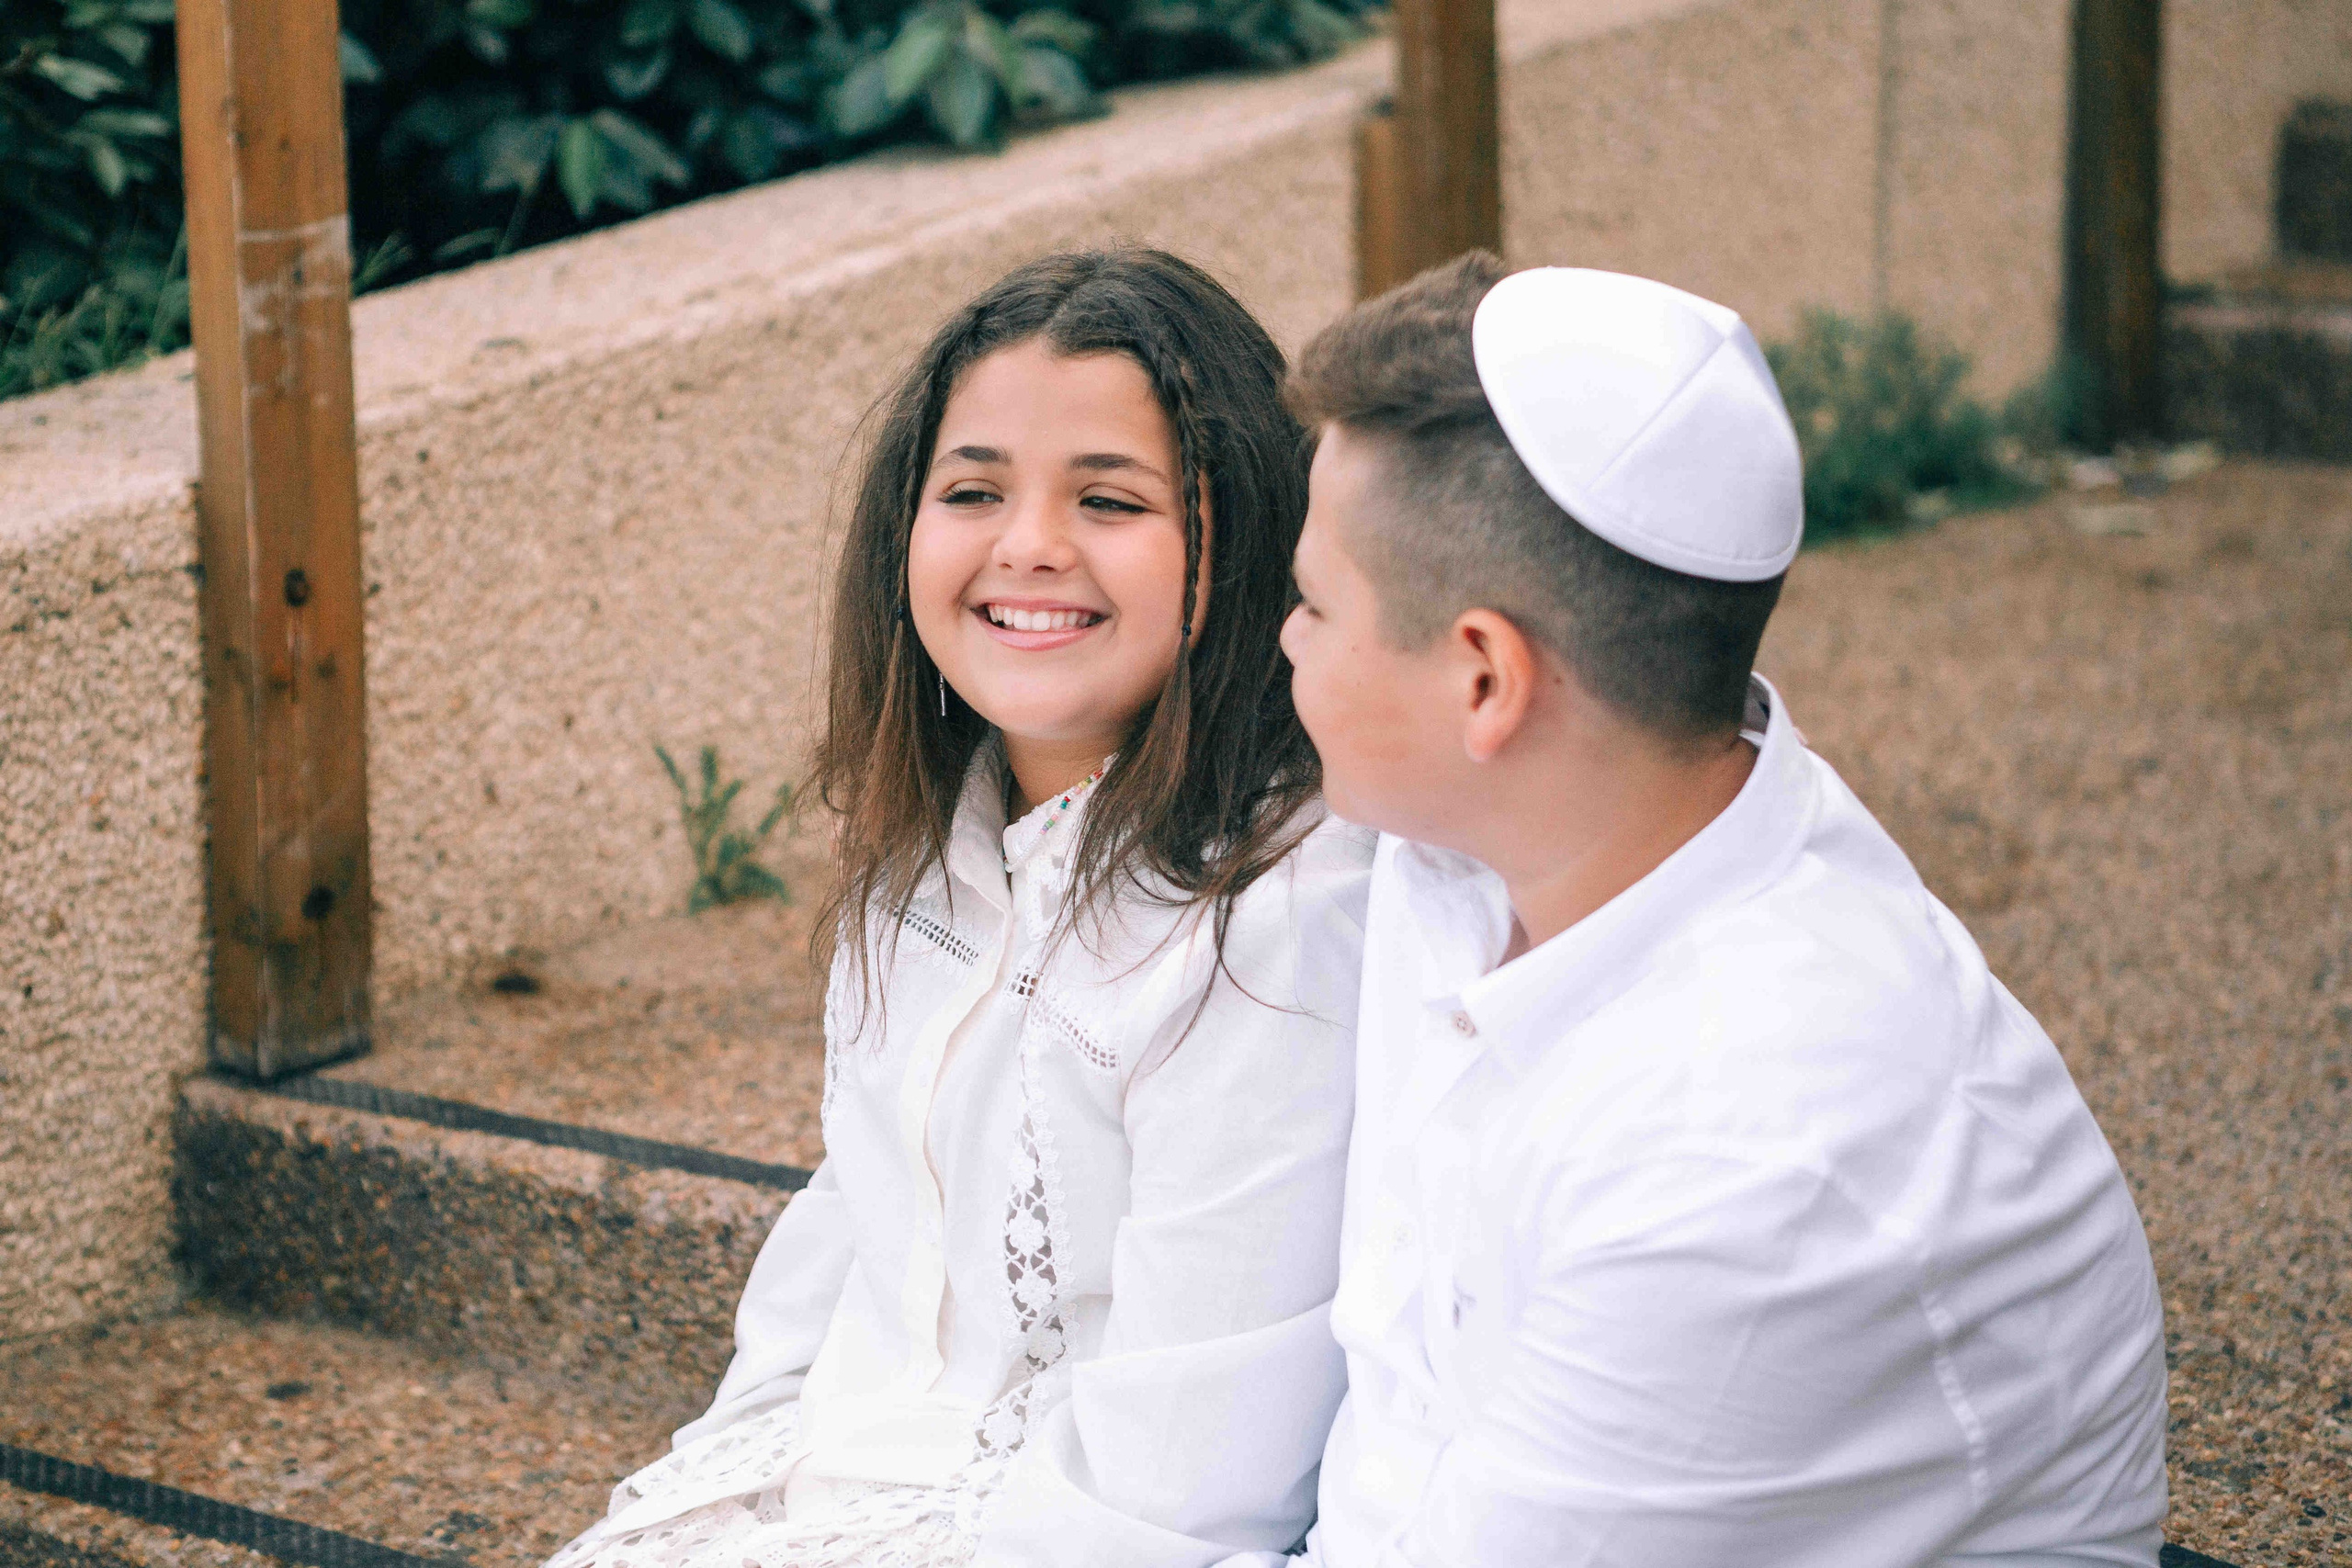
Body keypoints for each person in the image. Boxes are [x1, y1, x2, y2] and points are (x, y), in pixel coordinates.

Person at [1262, 254, 2169, 1566]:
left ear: (1484, 682)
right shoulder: (1481, 849)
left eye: (1314, 603)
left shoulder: (1751, 1161)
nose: (1286, 640)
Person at [547, 249, 1374, 1568]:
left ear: (1243, 542)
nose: (1027, 545)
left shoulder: (1278, 919)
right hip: (837, 1478)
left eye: (1110, 499)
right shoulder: (923, 849)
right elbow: (855, 1228)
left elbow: (1190, 1472)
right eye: (973, 490)